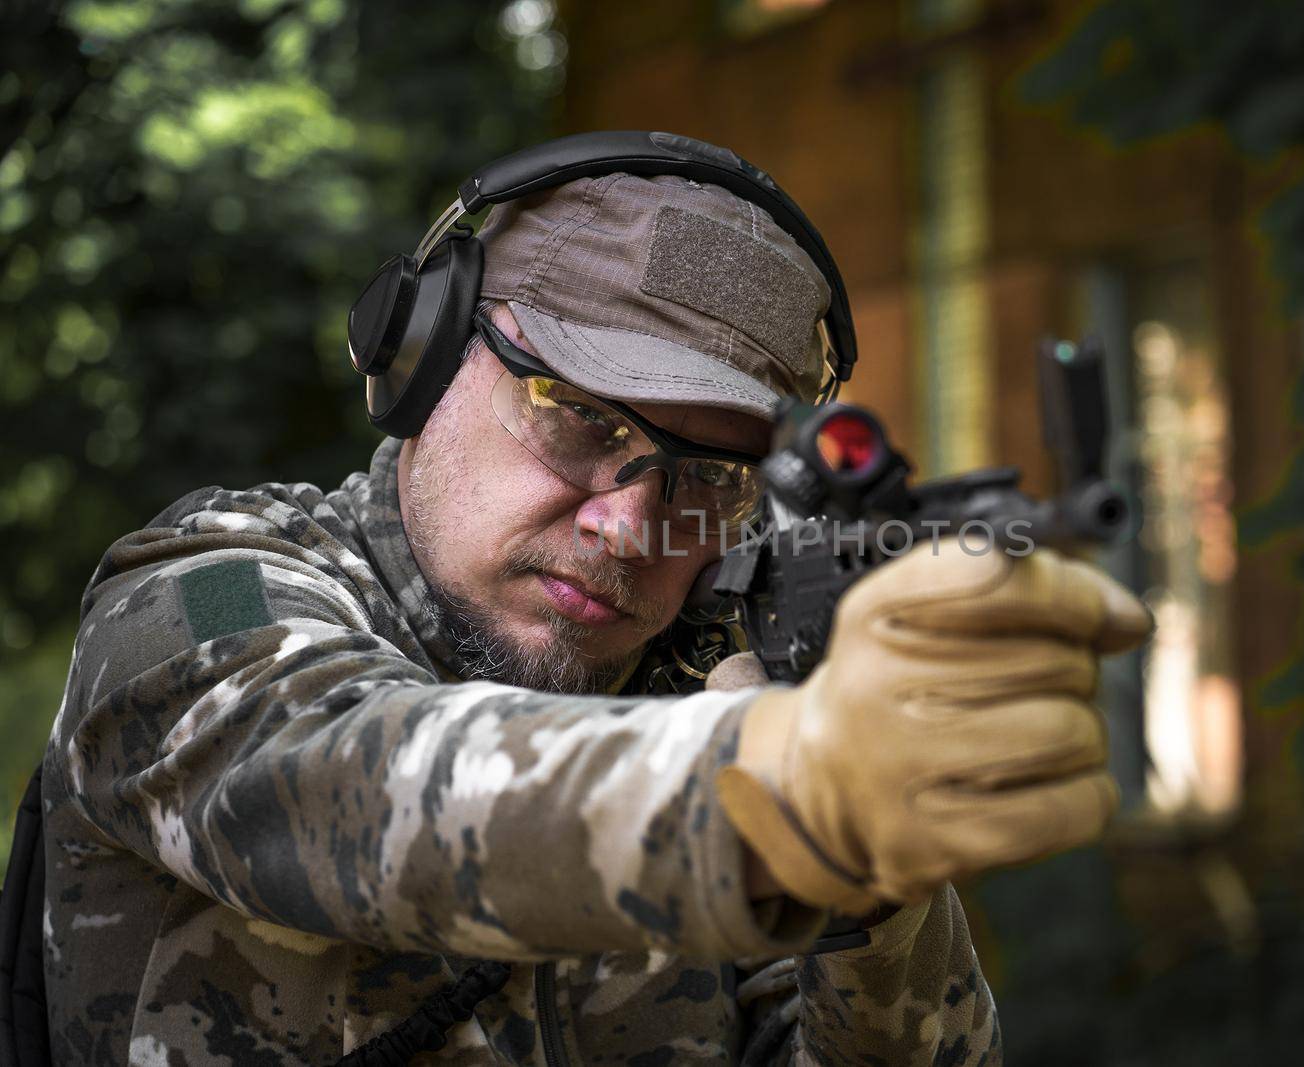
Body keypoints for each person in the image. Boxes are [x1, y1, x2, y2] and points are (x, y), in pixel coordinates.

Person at [36, 135, 1151, 1065]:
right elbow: (340, 771)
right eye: (580, 417)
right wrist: (779, 788)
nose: (629, 524)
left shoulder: (725, 689)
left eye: (709, 478)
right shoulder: (212, 589)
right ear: (419, 360)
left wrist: (871, 883)